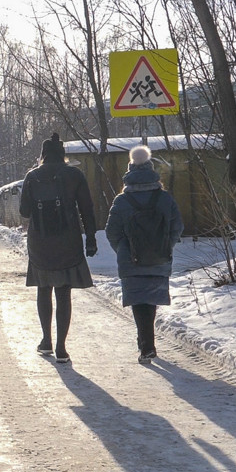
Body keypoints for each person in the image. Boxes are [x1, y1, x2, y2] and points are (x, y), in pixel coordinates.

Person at [18, 133, 97, 363]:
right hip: (67, 241)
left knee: (44, 289)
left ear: (42, 155)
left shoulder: (32, 176)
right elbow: (87, 208)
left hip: (40, 242)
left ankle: (46, 341)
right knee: (63, 292)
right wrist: (90, 237)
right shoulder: (74, 175)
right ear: (63, 155)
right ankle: (62, 347)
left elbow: (24, 211)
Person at [104, 145, 184, 365]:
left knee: (139, 301)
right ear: (151, 169)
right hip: (159, 257)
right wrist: (165, 245)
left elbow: (112, 231)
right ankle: (147, 343)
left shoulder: (122, 201)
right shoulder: (164, 198)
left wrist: (123, 249)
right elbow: (178, 226)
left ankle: (146, 345)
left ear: (129, 172)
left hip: (132, 260)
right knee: (150, 300)